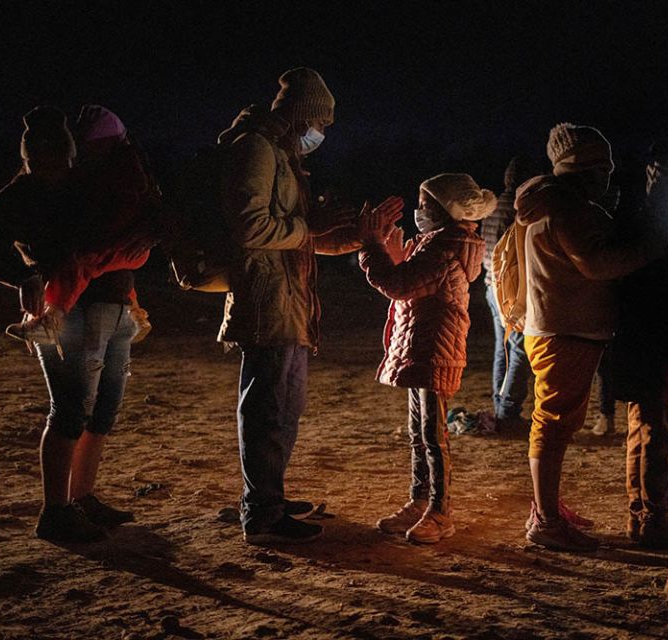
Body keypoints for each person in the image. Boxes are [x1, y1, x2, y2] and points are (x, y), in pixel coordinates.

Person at [218, 68, 400, 546]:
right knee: (268, 408)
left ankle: (267, 497)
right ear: (301, 117)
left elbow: (296, 233)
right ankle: (261, 510)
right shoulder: (256, 149)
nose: (322, 134)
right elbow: (251, 227)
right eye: (319, 123)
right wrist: (310, 229)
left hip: (288, 298)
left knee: (285, 406)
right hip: (266, 299)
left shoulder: (280, 154)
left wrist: (355, 236)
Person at [0, 106, 152, 542]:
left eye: (62, 162)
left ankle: (82, 498)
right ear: (30, 160)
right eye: (45, 164)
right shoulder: (18, 194)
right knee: (71, 410)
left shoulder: (82, 183)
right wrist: (25, 276)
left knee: (102, 411)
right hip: (62, 311)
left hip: (112, 305)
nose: (56, 171)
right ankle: (56, 510)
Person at [516, 123, 662, 552]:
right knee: (554, 425)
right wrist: (653, 249)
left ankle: (546, 508)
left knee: (554, 423)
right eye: (602, 169)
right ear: (584, 170)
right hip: (567, 329)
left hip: (554, 327)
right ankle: (545, 521)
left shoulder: (546, 205)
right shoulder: (569, 208)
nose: (608, 179)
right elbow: (596, 264)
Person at [362, 174, 493, 543]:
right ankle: (420, 502)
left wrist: (372, 246)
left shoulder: (443, 248)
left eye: (424, 204)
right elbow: (408, 283)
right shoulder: (435, 243)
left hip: (435, 348)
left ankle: (440, 510)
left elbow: (399, 285)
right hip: (422, 346)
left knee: (433, 436)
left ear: (444, 209)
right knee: (419, 433)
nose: (419, 211)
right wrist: (394, 256)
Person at [610, 145, 668, 550]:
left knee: (642, 428)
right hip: (660, 350)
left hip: (637, 346)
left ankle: (640, 514)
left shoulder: (636, 226)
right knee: (657, 434)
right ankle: (655, 519)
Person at [6, 105, 157, 347]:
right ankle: (137, 315)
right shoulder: (122, 163)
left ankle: (52, 318)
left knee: (83, 261)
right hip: (129, 243)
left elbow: (126, 210)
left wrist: (102, 235)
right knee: (103, 262)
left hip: (127, 242)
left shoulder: (121, 169)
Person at [481, 157, 534, 431]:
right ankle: (509, 412)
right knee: (519, 349)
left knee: (502, 349)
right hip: (510, 290)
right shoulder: (520, 209)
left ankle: (500, 405)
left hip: (491, 285)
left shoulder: (491, 208)